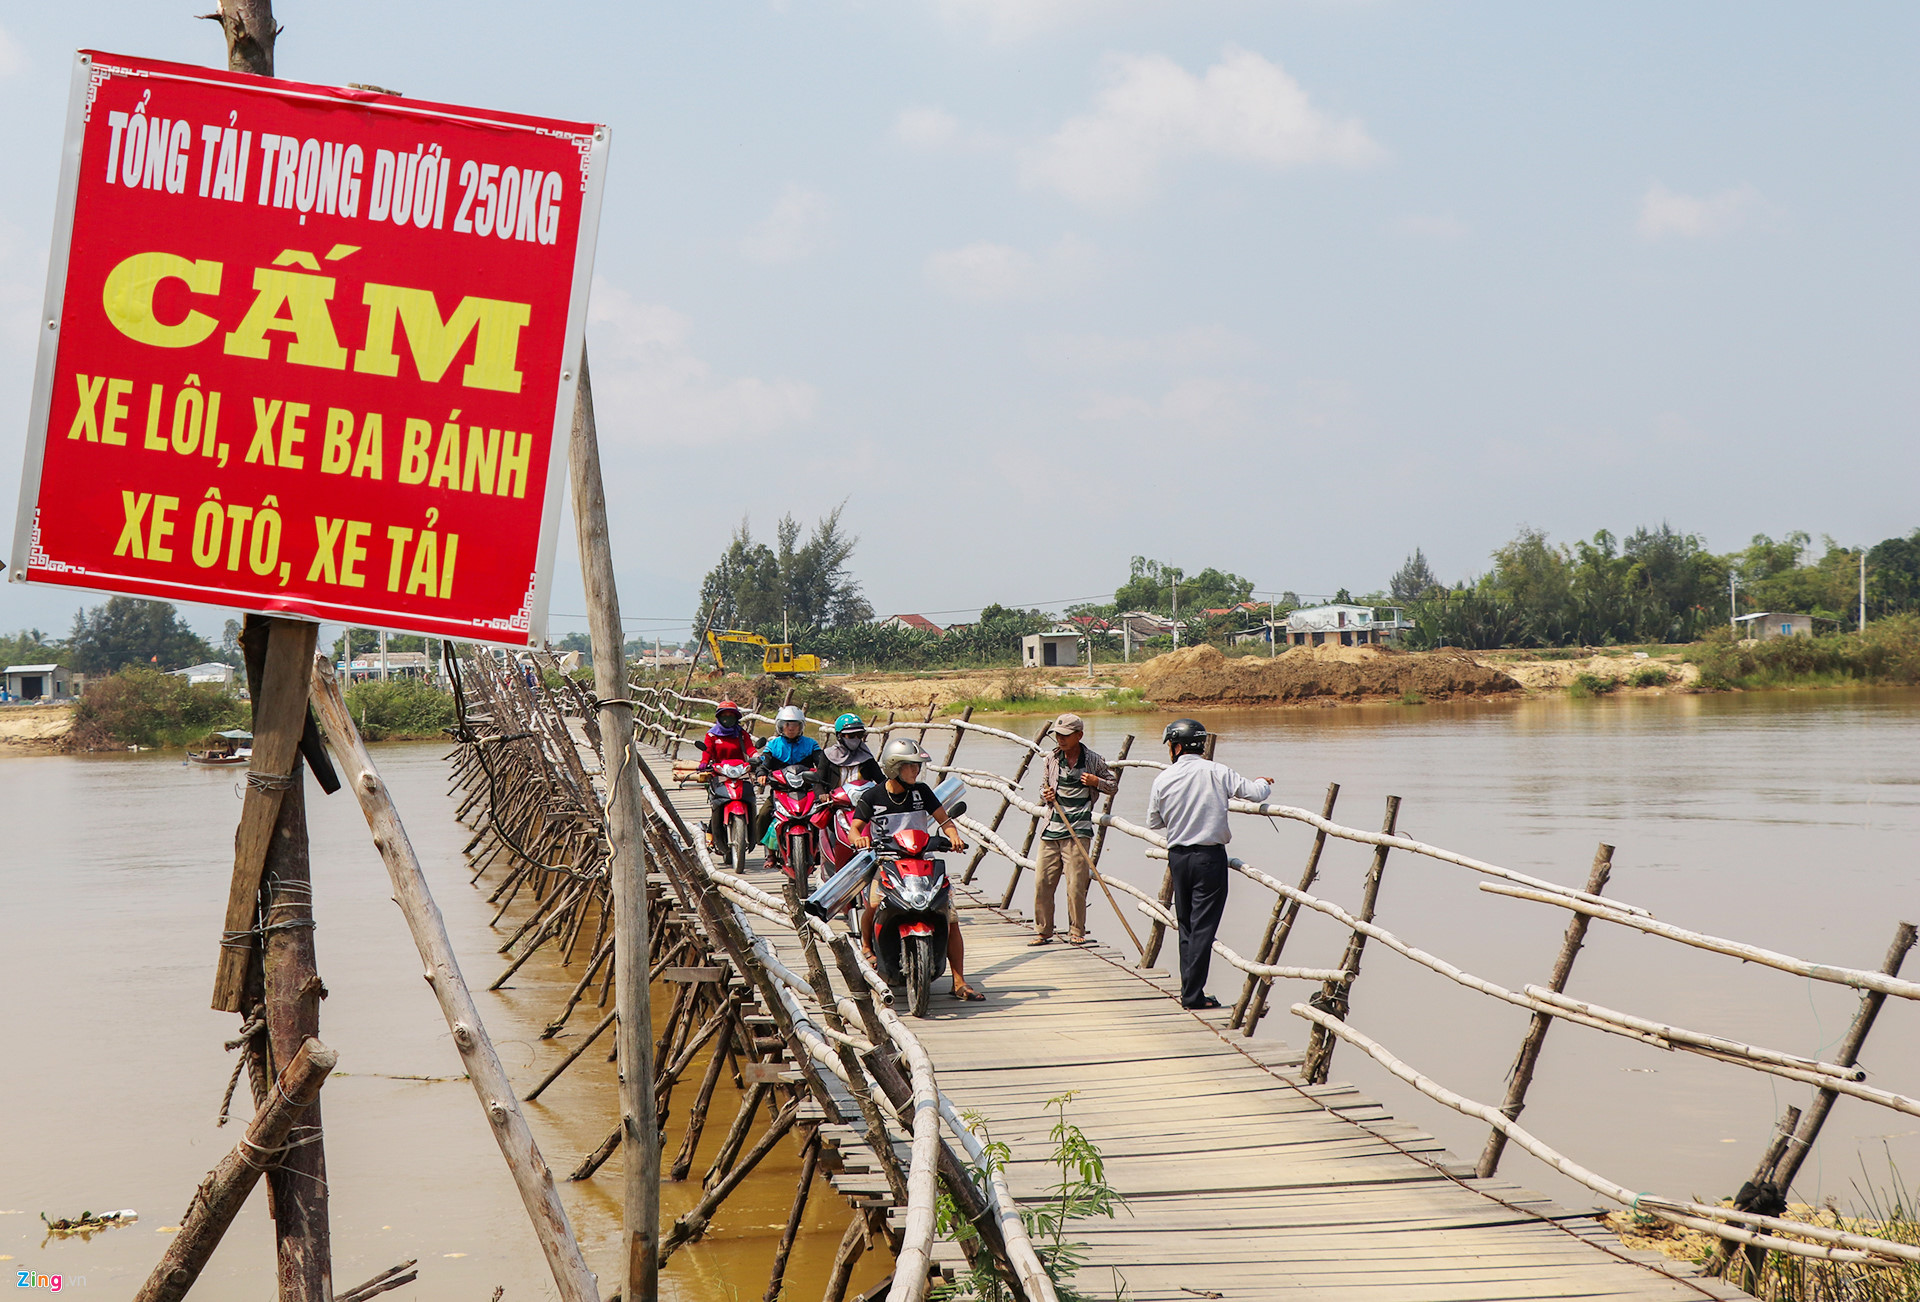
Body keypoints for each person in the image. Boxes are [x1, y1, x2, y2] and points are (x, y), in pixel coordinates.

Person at [1145, 719, 1273, 1010]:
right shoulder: (1218, 771)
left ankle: (1189, 990)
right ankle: (1192, 995)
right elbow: (1254, 793)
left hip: (1178, 858)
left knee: (1187, 926)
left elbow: (1154, 821)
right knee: (1203, 927)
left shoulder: (1164, 778)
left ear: (1177, 747)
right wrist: (1264, 782)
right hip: (1209, 858)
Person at [850, 737, 982, 1001]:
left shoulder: (922, 792)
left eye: (916, 766)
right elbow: (855, 828)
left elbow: (944, 821)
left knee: (950, 916)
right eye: (910, 766)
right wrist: (860, 838)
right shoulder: (872, 796)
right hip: (887, 863)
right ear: (893, 767)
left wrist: (953, 836)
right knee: (874, 905)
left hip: (923, 862)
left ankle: (959, 981)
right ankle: (866, 944)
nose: (916, 771)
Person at [1031, 713, 1118, 946]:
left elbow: (1113, 786)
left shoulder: (1093, 760)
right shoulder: (1051, 758)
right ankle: (1043, 931)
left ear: (1079, 735)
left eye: (1066, 736)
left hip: (1078, 831)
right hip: (1051, 829)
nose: (1060, 739)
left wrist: (1095, 782)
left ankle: (1076, 931)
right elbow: (1043, 786)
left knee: (1075, 885)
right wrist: (1045, 794)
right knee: (1042, 882)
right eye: (1058, 735)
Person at [752, 704, 825, 840]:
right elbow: (765, 762)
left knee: (825, 813)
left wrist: (824, 776)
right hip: (781, 791)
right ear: (780, 726)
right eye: (787, 725)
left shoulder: (811, 744)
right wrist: (761, 774)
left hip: (807, 790)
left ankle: (824, 847)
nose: (791, 728)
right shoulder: (773, 745)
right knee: (764, 814)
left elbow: (821, 763)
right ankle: (769, 852)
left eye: (795, 725)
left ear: (801, 726)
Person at [696, 699, 758, 855]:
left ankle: (751, 833)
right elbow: (707, 752)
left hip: (740, 773)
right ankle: (713, 834)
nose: (728, 718)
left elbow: (750, 749)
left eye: (731, 715)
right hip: (719, 774)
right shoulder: (711, 735)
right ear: (719, 717)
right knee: (717, 803)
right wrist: (704, 762)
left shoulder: (741, 734)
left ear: (736, 717)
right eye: (724, 715)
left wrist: (757, 757)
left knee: (750, 796)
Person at [821, 713, 883, 789]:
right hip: (836, 799)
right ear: (839, 736)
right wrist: (821, 794)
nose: (856, 738)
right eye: (851, 735)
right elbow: (819, 782)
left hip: (862, 798)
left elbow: (881, 780)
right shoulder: (828, 755)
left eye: (860, 735)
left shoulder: (866, 756)